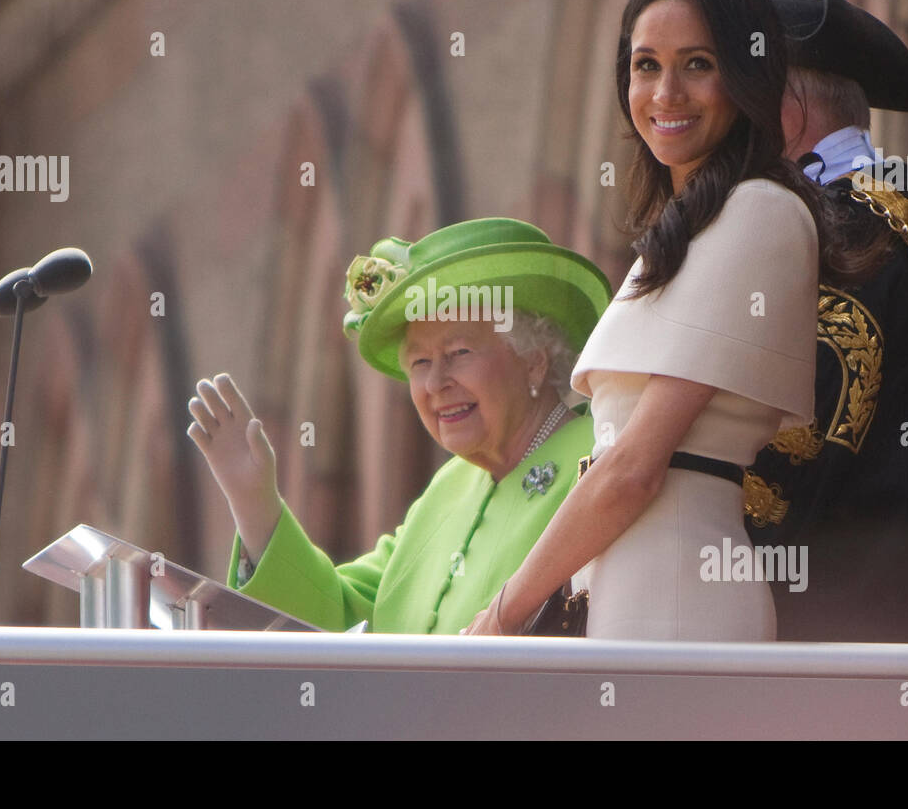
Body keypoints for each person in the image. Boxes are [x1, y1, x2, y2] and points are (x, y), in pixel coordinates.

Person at [467, 0, 839, 640]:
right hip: (622, 598)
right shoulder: (683, 232)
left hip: (679, 598)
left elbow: (633, 472)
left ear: (745, 76)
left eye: (697, 63)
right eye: (646, 66)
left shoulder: (760, 211)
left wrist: (500, 616)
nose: (666, 92)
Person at [186, 217, 611, 633]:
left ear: (534, 360)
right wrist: (255, 505)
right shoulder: (447, 490)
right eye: (420, 362)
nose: (435, 383)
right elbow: (337, 618)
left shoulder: (602, 450)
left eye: (459, 352)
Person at [742, 0, 908, 644]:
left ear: (786, 106)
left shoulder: (838, 235)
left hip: (833, 652)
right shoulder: (890, 213)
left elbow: (792, 455)